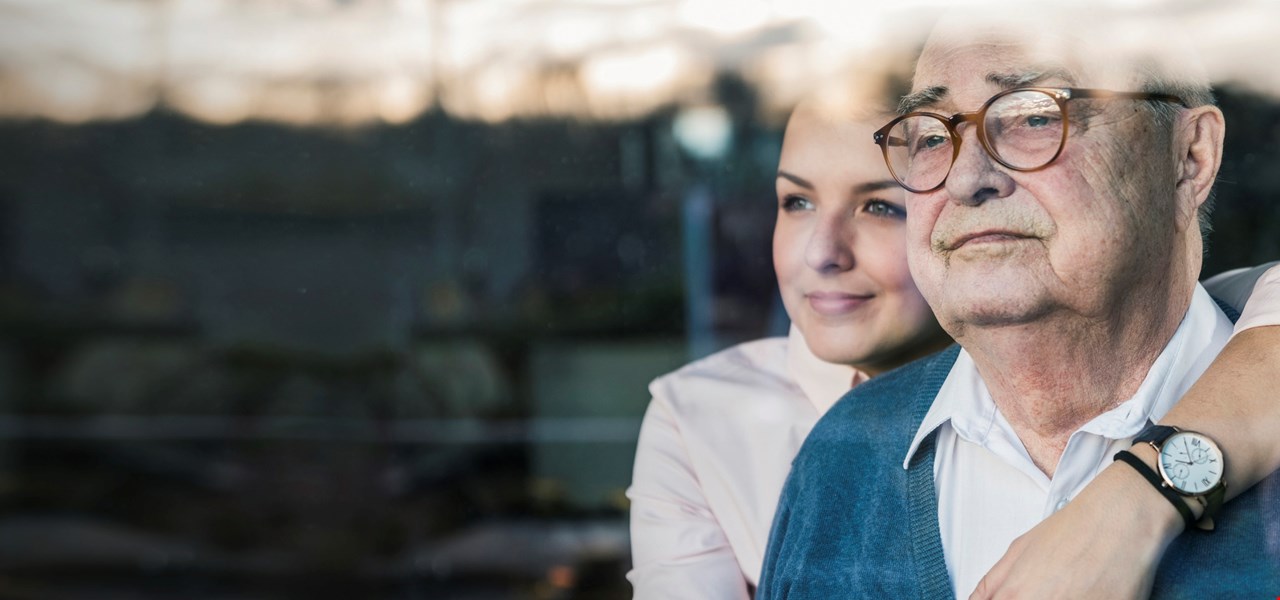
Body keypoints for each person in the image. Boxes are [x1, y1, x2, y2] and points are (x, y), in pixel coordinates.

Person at [628, 79, 1280, 598]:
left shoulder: (1250, 334)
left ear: (1191, 157)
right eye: (794, 201)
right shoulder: (820, 448)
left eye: (1032, 116)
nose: (822, 254)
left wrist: (1141, 497)